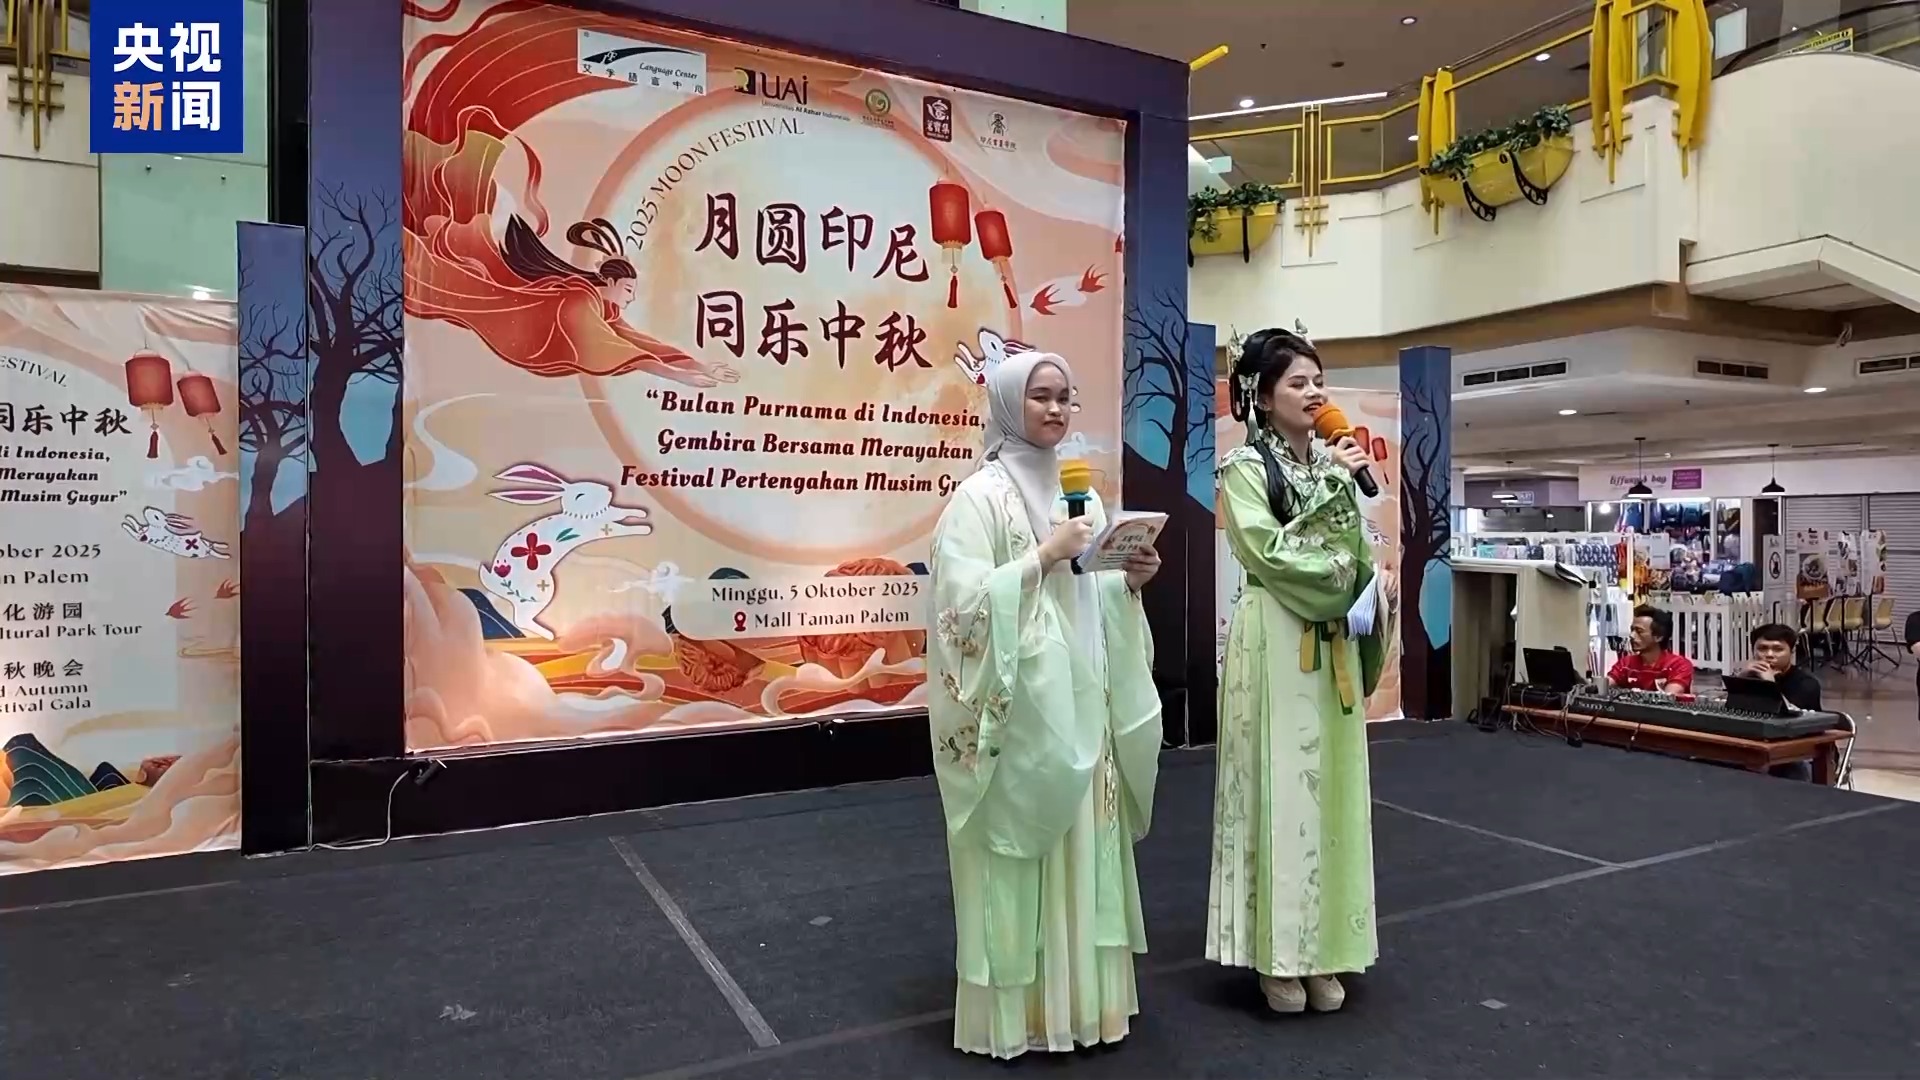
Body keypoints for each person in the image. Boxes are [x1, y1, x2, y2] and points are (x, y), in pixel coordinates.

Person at [925, 349, 1164, 1059]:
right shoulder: (978, 499)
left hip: (1083, 703)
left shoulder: (1078, 493)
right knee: (1020, 857)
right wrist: (1043, 555)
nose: (1056, 409)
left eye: (1065, 396)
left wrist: (1130, 580)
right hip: (1024, 715)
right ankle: (1021, 1015)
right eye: (1040, 397)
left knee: (1084, 848)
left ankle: (1085, 1006)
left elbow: (1092, 599)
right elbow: (960, 610)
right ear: (1008, 405)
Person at [1207, 327, 1393, 1015]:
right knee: (1279, 787)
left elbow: (1351, 552)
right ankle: (1278, 953)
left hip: (1332, 635)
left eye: (1319, 381)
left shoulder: (1329, 463)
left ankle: (1327, 947)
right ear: (1262, 397)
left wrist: (1371, 585)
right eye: (1298, 383)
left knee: (1331, 790)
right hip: (1277, 635)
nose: (1315, 393)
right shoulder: (1243, 470)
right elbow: (1269, 554)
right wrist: (1338, 494)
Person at [1739, 623, 1824, 782]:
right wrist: (1740, 680)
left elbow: (1790, 716)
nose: (1769, 655)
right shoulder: (1750, 676)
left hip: (1802, 752)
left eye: (1778, 649)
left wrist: (1770, 684)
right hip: (1759, 745)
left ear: (1791, 652)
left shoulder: (1807, 683)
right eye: (1762, 649)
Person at [1606, 605, 1694, 694]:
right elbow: (1604, 686)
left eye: (1639, 631)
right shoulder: (1626, 664)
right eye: (1632, 630)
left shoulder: (1678, 665)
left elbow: (1669, 697)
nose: (1631, 635)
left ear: (1659, 637)